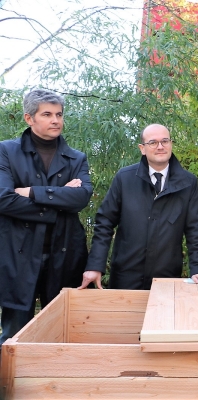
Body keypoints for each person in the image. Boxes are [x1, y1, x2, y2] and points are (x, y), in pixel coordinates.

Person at [0, 88, 92, 347]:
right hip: (18, 255)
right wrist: (59, 202)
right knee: (14, 337)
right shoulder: (6, 151)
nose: (56, 120)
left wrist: (31, 192)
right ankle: (8, 388)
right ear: (29, 118)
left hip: (64, 256)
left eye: (59, 114)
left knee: (60, 335)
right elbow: (3, 199)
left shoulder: (76, 157)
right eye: (47, 114)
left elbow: (82, 198)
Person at [80, 124, 198, 290]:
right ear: (142, 148)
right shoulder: (125, 179)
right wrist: (95, 265)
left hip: (167, 277)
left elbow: (195, 230)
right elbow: (104, 223)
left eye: (165, 141)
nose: (160, 146)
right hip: (125, 276)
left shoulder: (187, 183)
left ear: (171, 144)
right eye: (153, 142)